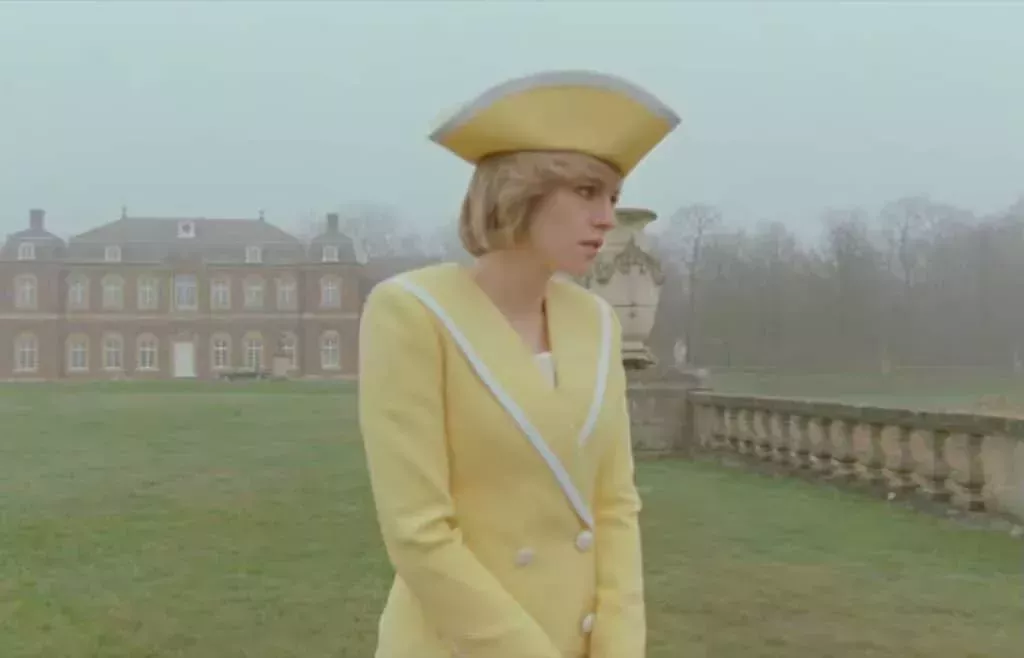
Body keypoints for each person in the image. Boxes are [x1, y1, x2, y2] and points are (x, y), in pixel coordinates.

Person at [357, 70, 681, 658]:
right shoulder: (411, 312)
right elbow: (418, 532)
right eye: (586, 192)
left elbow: (614, 504)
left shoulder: (596, 322)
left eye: (612, 197)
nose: (606, 218)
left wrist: (618, 645)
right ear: (518, 191)